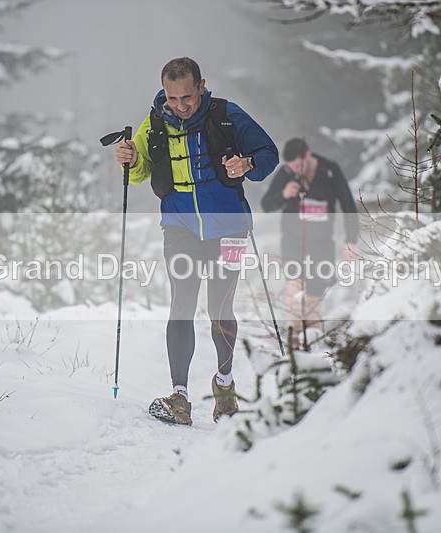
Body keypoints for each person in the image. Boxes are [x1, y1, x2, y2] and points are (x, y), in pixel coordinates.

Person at [115, 57, 278, 425]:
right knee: (181, 304)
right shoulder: (156, 120)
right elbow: (139, 171)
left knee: (220, 308)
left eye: (186, 96)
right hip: (179, 227)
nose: (180, 105)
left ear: (201, 85)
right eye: (173, 98)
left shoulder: (226, 115)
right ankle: (180, 397)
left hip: (230, 228)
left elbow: (270, 154)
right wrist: (128, 157)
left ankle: (224, 389)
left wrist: (247, 164)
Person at [260, 138, 358, 346]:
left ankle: (312, 335)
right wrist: (284, 194)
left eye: (297, 165)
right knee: (295, 282)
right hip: (292, 238)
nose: (294, 170)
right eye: (290, 166)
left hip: (322, 240)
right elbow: (267, 204)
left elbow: (348, 204)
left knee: (317, 283)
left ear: (307, 156)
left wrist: (351, 240)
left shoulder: (329, 171)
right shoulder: (286, 174)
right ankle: (294, 334)